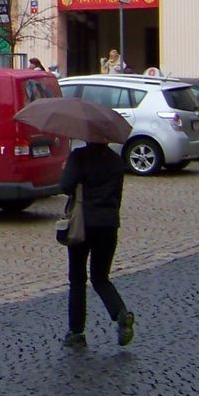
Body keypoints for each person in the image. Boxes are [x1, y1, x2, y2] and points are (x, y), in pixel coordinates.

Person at [58, 139, 135, 349]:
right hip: (108, 225)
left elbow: (65, 186)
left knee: (77, 278)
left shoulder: (79, 157)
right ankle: (121, 313)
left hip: (82, 224)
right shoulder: (115, 161)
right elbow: (117, 196)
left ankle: (76, 332)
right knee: (101, 278)